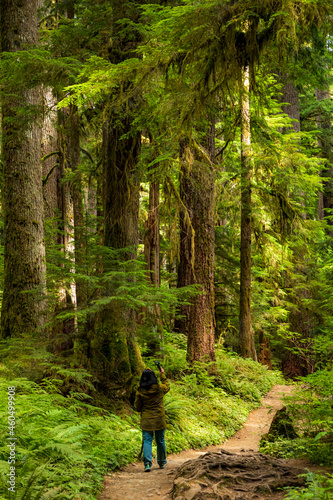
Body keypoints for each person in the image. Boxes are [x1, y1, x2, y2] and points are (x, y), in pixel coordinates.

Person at [134, 366, 170, 472]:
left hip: (147, 419)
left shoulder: (140, 391)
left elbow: (137, 407)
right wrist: (162, 374)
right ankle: (162, 462)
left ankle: (147, 464)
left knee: (147, 441)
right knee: (160, 440)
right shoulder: (159, 388)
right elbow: (167, 386)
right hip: (159, 418)